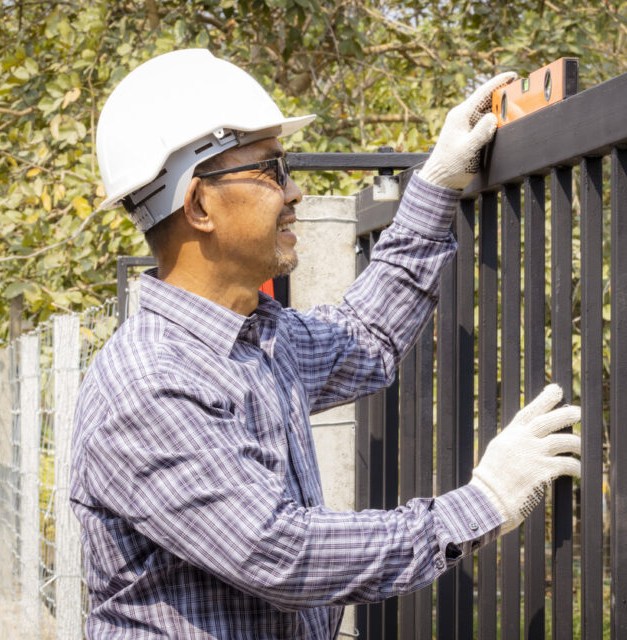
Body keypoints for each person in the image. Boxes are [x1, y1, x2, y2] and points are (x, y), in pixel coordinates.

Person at [71, 49, 582, 639]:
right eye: (270, 170)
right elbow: (278, 552)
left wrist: (436, 182)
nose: (293, 192)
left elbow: (365, 335)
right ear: (198, 204)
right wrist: (480, 503)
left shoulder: (257, 340)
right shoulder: (149, 382)